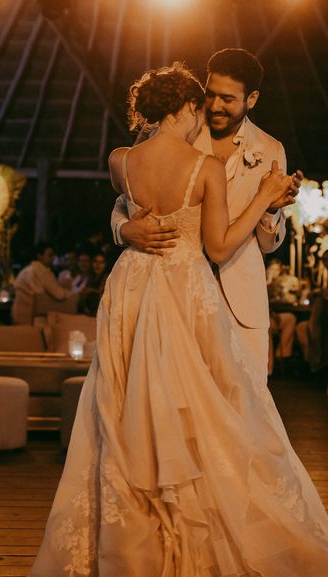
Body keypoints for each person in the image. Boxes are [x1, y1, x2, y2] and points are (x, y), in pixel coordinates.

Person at [29, 63, 328, 577]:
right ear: (186, 107)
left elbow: (132, 202)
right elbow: (216, 243)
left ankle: (130, 564)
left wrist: (267, 207)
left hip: (130, 291)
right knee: (211, 417)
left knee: (127, 412)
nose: (208, 112)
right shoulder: (205, 166)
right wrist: (262, 196)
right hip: (184, 292)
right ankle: (206, 553)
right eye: (201, 103)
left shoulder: (120, 160)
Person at [111, 48, 301, 386]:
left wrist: (271, 209)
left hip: (241, 301)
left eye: (227, 99)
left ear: (251, 99)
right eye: (210, 94)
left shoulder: (272, 150)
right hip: (174, 298)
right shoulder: (173, 129)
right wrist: (124, 229)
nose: (214, 106)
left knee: (245, 407)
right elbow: (128, 198)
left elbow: (269, 245)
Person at [12, 242, 76, 325]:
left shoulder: (28, 270)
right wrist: (74, 296)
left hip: (19, 313)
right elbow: (58, 294)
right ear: (39, 255)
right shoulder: (41, 270)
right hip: (30, 316)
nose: (52, 258)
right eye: (50, 255)